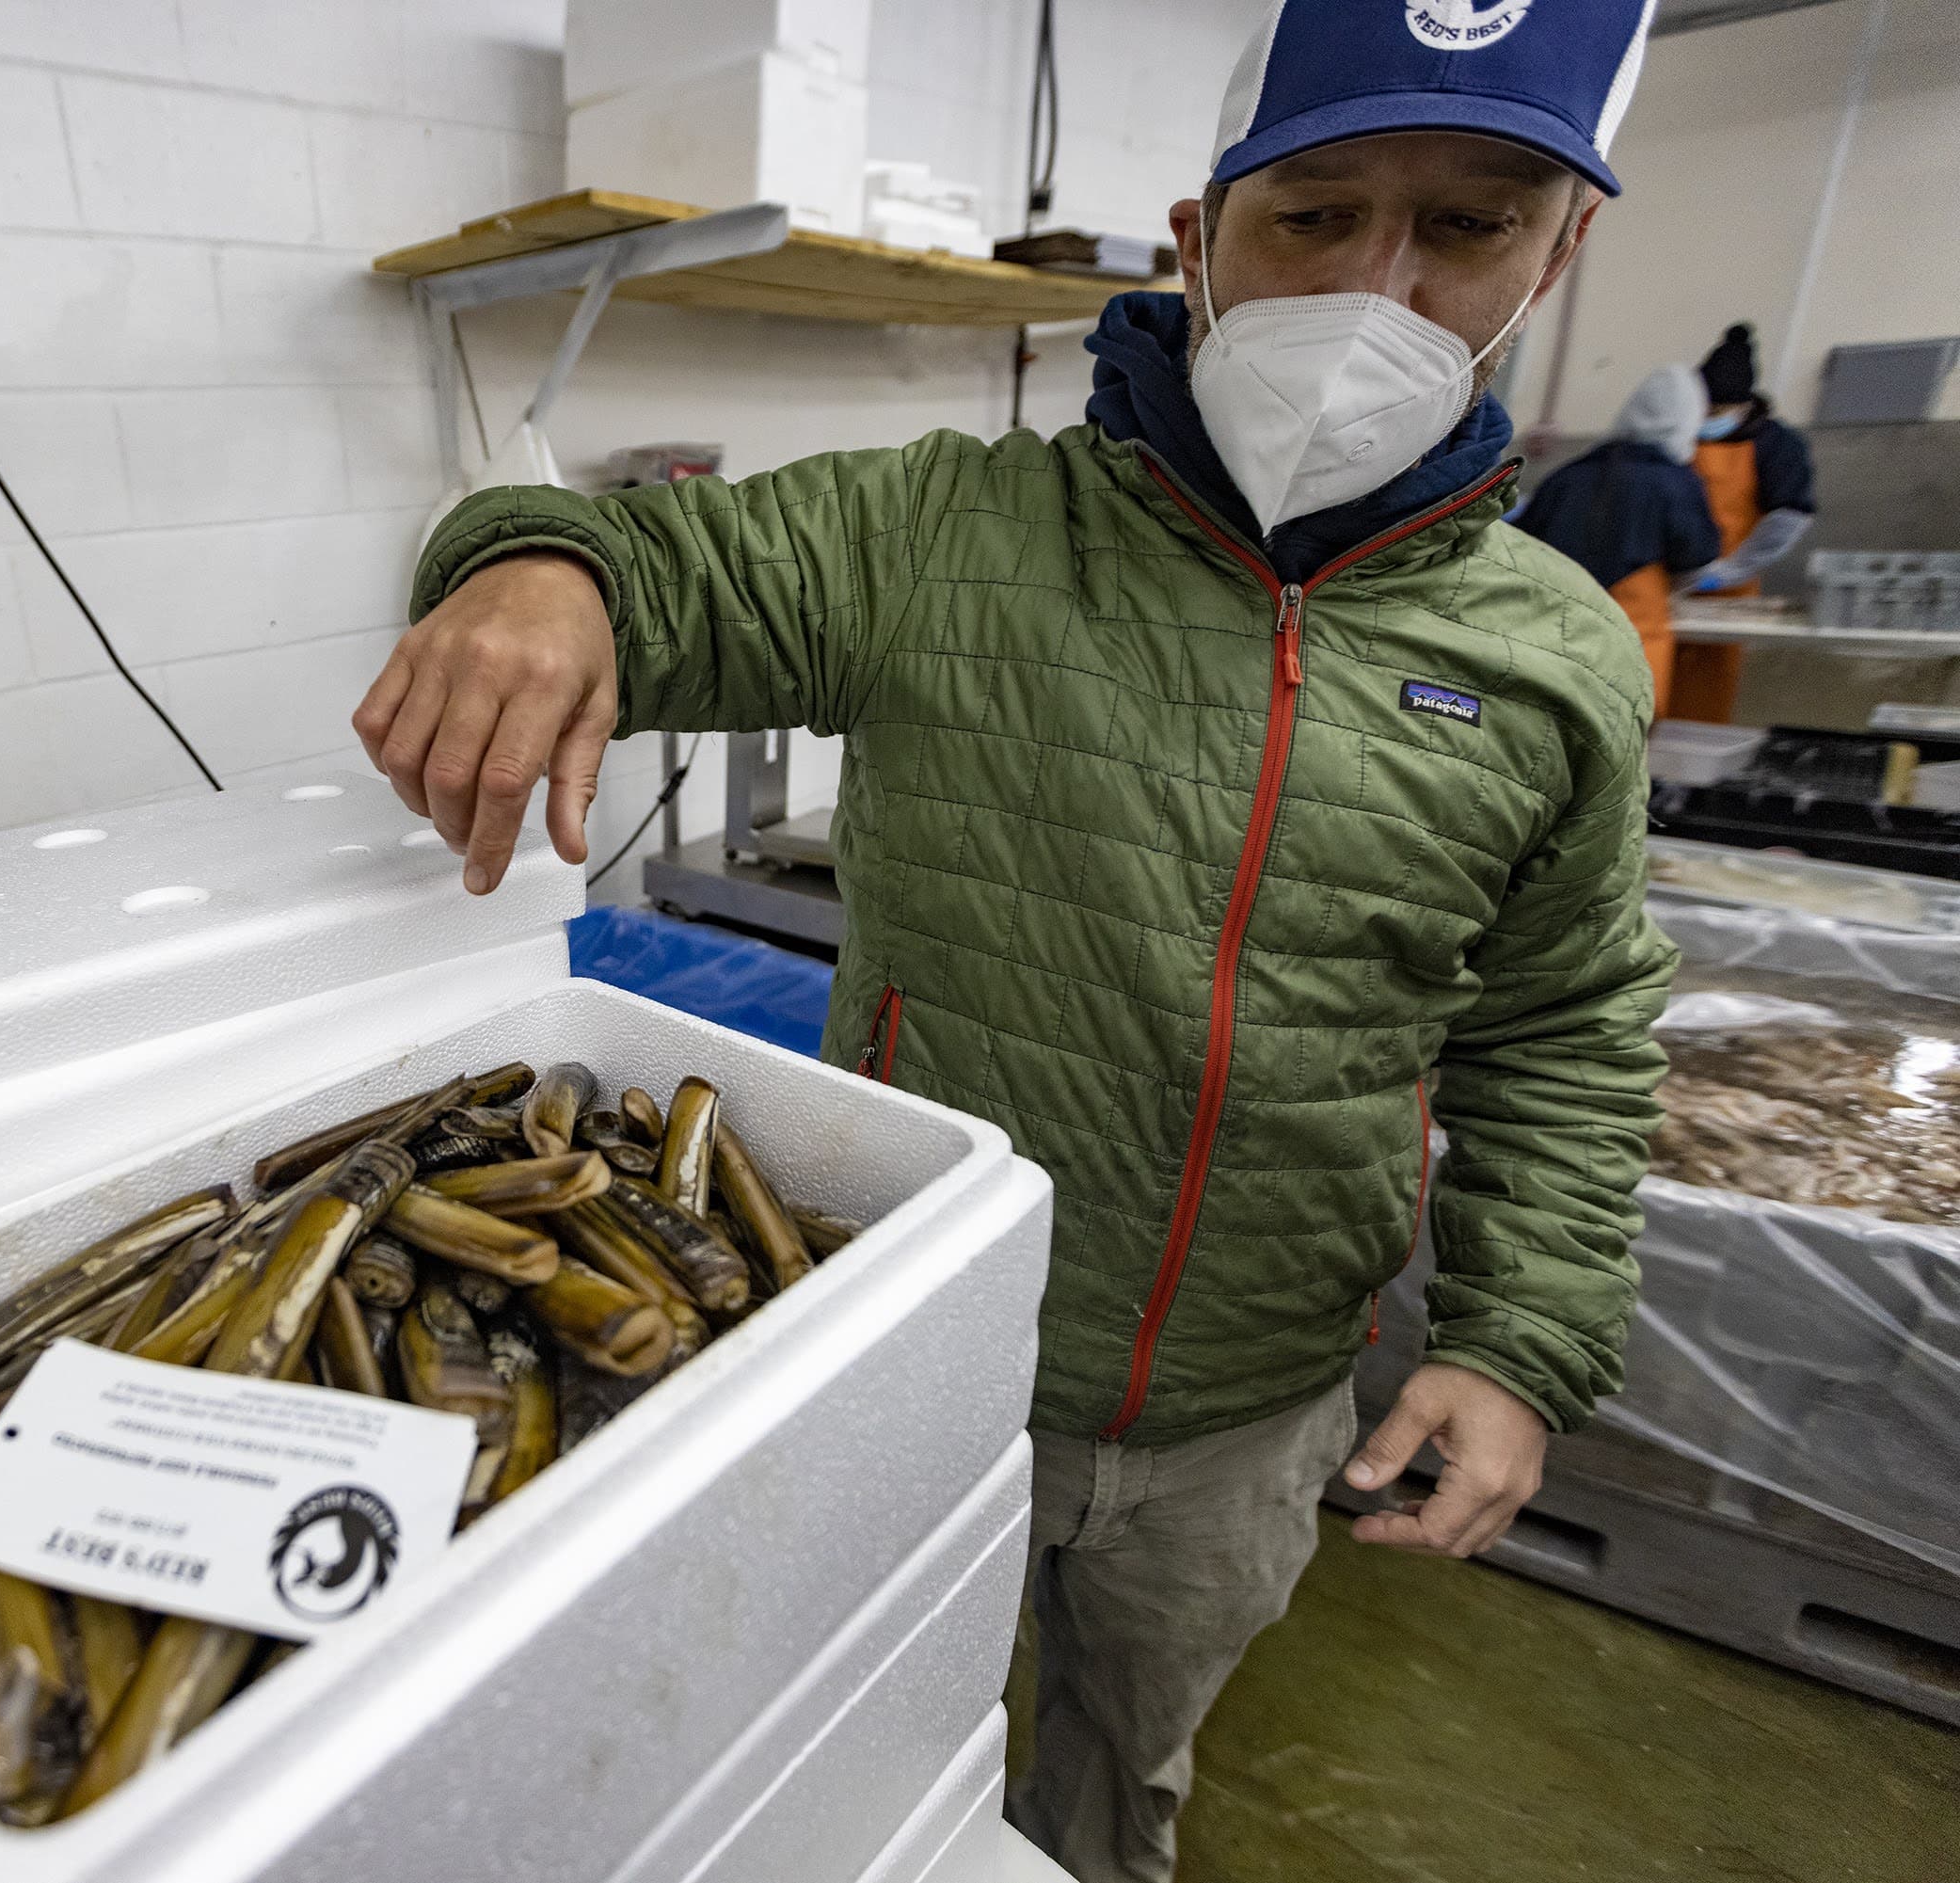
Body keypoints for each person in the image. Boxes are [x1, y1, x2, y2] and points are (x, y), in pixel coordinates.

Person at [354, 3, 1676, 1877]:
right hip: (921, 1346)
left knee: (1121, 1777)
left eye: (1467, 226)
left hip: (1253, 1407)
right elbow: (658, 570)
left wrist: (1523, 1337)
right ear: (1198, 228)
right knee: (852, 1756)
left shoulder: (1555, 661)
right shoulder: (949, 533)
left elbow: (1564, 1026)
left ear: (1562, 251)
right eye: (1314, 215)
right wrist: (528, 567)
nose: (1377, 285)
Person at [1515, 364, 1722, 714]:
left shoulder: (1567, 477)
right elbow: (1697, 557)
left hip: (1550, 645)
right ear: (1689, 419)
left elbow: (1519, 549)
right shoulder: (1675, 483)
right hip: (1632, 650)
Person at [1670, 321, 1819, 721]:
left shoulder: (1776, 445)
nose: (1705, 418)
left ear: (1744, 404)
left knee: (1702, 697)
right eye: (1701, 409)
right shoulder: (1678, 434)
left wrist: (1727, 571)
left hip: (1727, 594)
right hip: (1665, 586)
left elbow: (1790, 515)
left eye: (1715, 411)